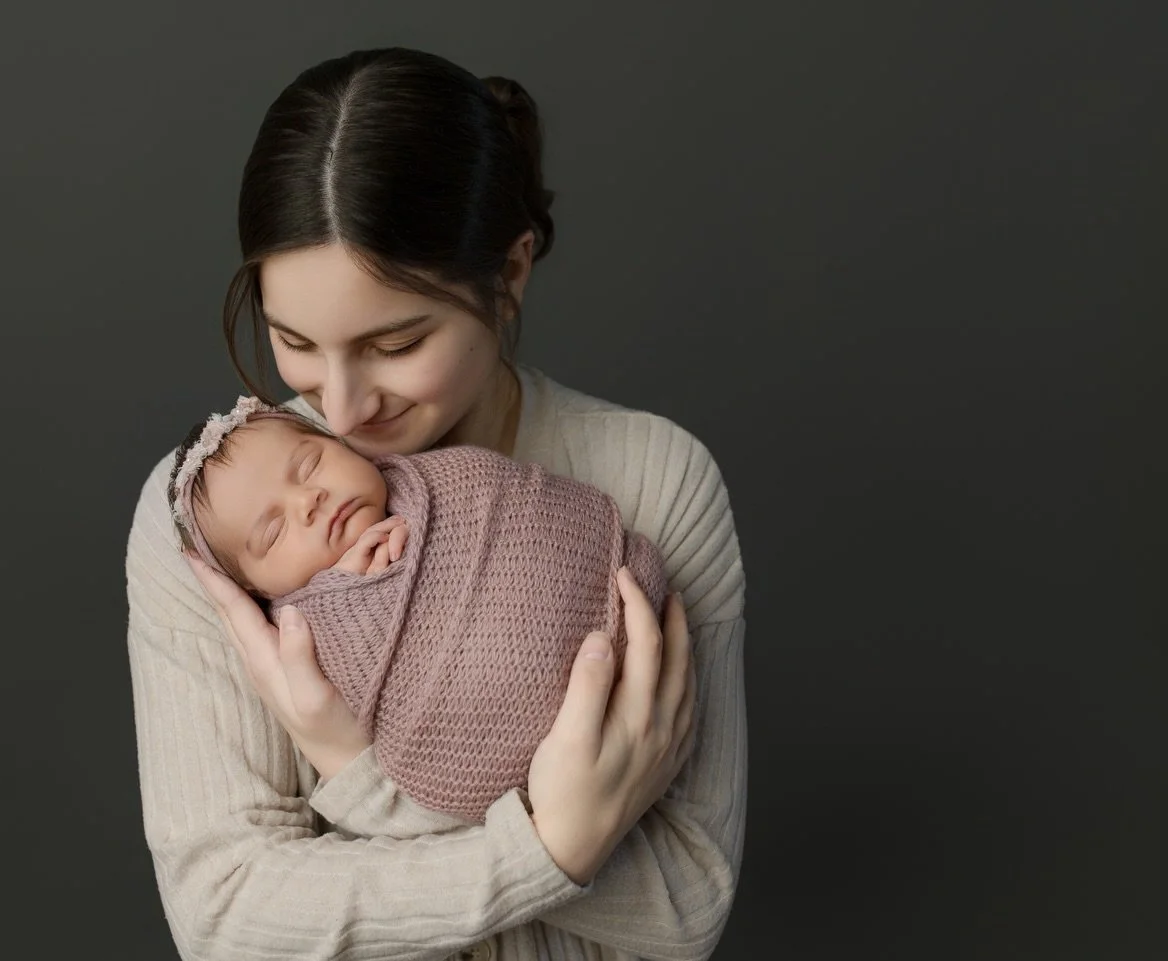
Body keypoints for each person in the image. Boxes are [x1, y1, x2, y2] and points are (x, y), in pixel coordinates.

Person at [125, 46, 747, 961]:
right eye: (294, 340)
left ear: (511, 273)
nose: (341, 408)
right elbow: (224, 917)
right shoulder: (216, 522)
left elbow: (684, 902)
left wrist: (358, 783)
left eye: (397, 342)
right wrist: (552, 844)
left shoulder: (651, 480)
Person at [165, 395, 668, 823]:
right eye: (273, 533)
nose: (309, 501)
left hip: (617, 611)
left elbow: (523, 502)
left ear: (342, 443)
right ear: (257, 592)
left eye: (310, 464)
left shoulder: (451, 476)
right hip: (523, 765)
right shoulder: (302, 638)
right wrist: (357, 598)